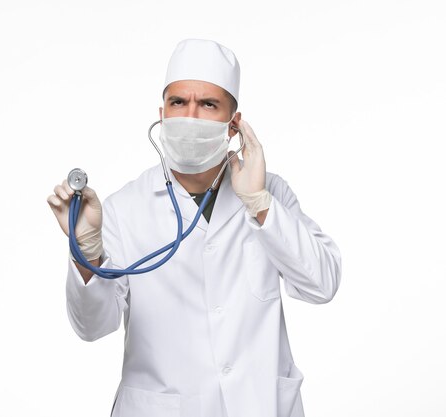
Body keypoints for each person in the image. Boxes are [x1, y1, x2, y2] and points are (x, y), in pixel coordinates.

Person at [46, 39, 341, 417]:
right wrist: (86, 253)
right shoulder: (124, 208)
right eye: (178, 102)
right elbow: (92, 327)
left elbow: (322, 283)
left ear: (234, 124)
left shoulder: (271, 193)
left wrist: (260, 204)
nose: (190, 116)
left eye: (208, 104)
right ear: (162, 113)